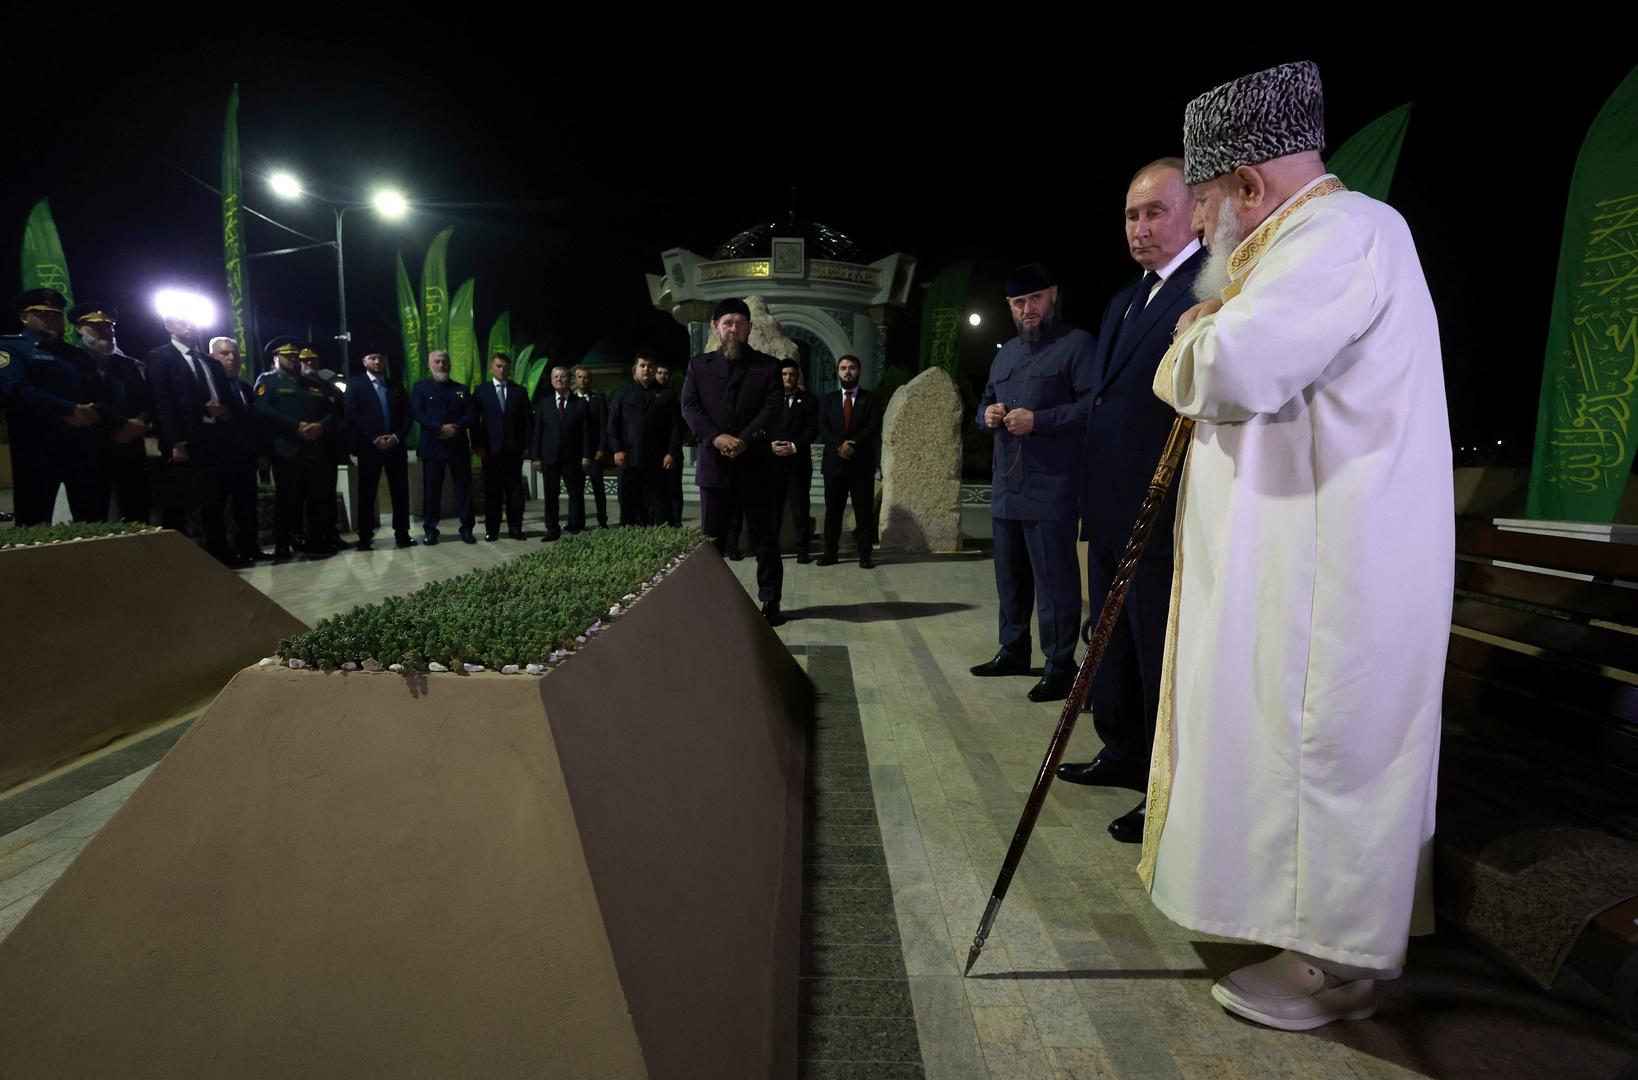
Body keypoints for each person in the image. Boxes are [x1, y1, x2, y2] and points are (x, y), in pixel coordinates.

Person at [1140, 61, 1453, 1031]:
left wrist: (1194, 329)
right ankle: (1311, 937)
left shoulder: (1339, 234)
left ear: (1248, 187)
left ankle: (1335, 965)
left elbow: (1234, 366)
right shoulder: (1314, 238)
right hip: (1308, 566)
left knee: (1327, 759)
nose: (1202, 228)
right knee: (1297, 757)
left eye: (1207, 204)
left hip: (1337, 582)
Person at [1054, 159, 1206, 845]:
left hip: (1165, 510)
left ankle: (1159, 779)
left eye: (1154, 212)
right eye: (1130, 215)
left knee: (1154, 647)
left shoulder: (1214, 292)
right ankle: (1118, 747)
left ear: (1195, 210)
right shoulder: (1124, 301)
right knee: (1110, 641)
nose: (1139, 227)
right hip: (1112, 507)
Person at [970, 264, 1096, 702]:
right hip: (1007, 485)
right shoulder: (1004, 354)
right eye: (1019, 303)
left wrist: (1039, 421)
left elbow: (1092, 409)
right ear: (1009, 307)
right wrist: (985, 416)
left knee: (1055, 581)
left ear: (1053, 295)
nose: (1029, 309)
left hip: (1051, 487)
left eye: (1036, 299)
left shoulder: (1077, 346)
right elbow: (984, 402)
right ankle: (1013, 649)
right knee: (1010, 577)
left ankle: (1060, 664)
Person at [680, 298, 786, 623]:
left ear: (750, 329)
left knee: (765, 540)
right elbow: (690, 406)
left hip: (755, 468)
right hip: (715, 468)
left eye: (740, 323)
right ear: (716, 327)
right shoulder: (699, 366)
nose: (734, 329)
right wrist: (716, 437)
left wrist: (744, 439)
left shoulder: (768, 367)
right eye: (727, 323)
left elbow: (772, 409)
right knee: (710, 543)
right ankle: (709, 603)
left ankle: (770, 602)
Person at [0, 289, 110, 525]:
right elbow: (17, 389)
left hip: (82, 447)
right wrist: (69, 409)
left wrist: (93, 411)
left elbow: (100, 393)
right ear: (24, 317)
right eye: (44, 314)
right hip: (36, 449)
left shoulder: (76, 355)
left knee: (92, 520)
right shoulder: (11, 348)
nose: (53, 320)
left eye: (57, 315)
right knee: (33, 521)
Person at [146, 304, 233, 560]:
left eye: (193, 321)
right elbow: (162, 402)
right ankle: (176, 559)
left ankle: (219, 554)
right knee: (178, 504)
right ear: (168, 326)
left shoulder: (209, 362)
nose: (190, 325)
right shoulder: (161, 357)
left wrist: (224, 412)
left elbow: (227, 399)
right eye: (183, 321)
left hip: (214, 439)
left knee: (215, 502)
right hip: (184, 440)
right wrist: (175, 441)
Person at [254, 337, 335, 560]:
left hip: (314, 448)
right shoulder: (267, 381)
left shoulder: (311, 383)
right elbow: (260, 409)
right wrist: (296, 426)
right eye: (287, 356)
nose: (292, 359)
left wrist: (320, 426)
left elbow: (331, 410)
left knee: (316, 498)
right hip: (286, 450)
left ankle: (314, 540)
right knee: (287, 499)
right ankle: (282, 543)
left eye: (294, 356)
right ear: (276, 358)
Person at [71, 302, 151, 524]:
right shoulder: (72, 360)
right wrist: (120, 425)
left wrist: (140, 422)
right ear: (80, 328)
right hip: (93, 446)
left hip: (131, 445)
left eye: (109, 327)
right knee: (93, 514)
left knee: (137, 511)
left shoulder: (126, 364)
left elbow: (145, 399)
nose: (106, 332)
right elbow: (80, 401)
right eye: (97, 327)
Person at [207, 335, 270, 561]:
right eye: (225, 353)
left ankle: (250, 548)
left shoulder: (245, 387)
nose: (232, 358)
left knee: (246, 505)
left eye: (235, 354)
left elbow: (255, 424)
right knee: (217, 508)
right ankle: (221, 553)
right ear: (212, 357)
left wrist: (261, 453)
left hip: (246, 457)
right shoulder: (210, 386)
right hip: (219, 457)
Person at [344, 349, 415, 550]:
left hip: (395, 446)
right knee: (366, 492)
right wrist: (374, 437)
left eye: (380, 358)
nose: (377, 362)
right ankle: (365, 537)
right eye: (372, 358)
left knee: (400, 491)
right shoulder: (355, 384)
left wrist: (396, 436)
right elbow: (352, 413)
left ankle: (402, 534)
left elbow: (408, 414)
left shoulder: (395, 385)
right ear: (364, 361)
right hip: (369, 448)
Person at [816, 355, 881, 570]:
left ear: (859, 371)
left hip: (860, 464)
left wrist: (852, 445)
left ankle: (865, 555)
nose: (847, 372)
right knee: (833, 511)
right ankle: (830, 553)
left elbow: (872, 427)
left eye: (852, 368)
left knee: (863, 513)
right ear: (837, 372)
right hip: (834, 464)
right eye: (843, 368)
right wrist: (838, 446)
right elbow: (823, 427)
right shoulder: (828, 399)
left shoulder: (870, 399)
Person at [608, 350, 682, 526]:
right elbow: (613, 423)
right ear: (636, 369)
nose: (646, 369)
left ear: (655, 369)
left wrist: (671, 453)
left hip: (657, 461)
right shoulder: (624, 392)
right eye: (642, 366)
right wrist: (617, 449)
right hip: (629, 460)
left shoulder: (667, 395)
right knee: (629, 506)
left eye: (650, 366)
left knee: (658, 506)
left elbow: (676, 427)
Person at [409, 350, 475, 544]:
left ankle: (467, 528)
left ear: (450, 364)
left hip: (458, 447)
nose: (441, 365)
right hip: (432, 447)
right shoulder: (421, 388)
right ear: (430, 365)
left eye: (444, 362)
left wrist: (455, 427)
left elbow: (471, 413)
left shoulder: (461, 388)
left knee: (463, 489)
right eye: (437, 362)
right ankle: (430, 530)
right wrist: (439, 429)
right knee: (432, 490)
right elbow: (417, 413)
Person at [472, 351, 531, 540]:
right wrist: (478, 445)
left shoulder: (519, 391)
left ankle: (515, 528)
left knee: (514, 491)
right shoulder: (481, 391)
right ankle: (492, 530)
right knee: (492, 491)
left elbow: (527, 422)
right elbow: (475, 422)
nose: (502, 370)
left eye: (505, 367)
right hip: (490, 451)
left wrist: (527, 446)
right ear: (491, 367)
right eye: (498, 366)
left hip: (514, 450)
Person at [529, 365, 592, 540]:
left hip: (573, 458)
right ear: (551, 381)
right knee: (551, 495)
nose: (559, 379)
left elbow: (587, 432)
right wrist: (535, 457)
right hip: (550, 457)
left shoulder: (580, 404)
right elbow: (537, 432)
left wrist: (587, 455)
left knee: (575, 493)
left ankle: (576, 526)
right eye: (555, 377)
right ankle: (552, 529)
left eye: (562, 377)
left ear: (569, 380)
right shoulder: (544, 404)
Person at [772, 358, 818, 562]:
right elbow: (761, 427)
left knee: (800, 510)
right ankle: (771, 550)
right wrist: (770, 445)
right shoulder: (769, 400)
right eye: (784, 374)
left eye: (791, 374)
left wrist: (793, 446)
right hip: (773, 465)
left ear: (797, 376)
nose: (787, 378)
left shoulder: (808, 400)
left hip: (798, 465)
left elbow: (812, 429)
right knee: (773, 511)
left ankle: (802, 550)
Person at [573, 365, 611, 527]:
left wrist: (602, 449)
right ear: (575, 379)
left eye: (586, 377)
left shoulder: (598, 399)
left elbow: (604, 426)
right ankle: (578, 522)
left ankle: (602, 520)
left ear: (590, 379)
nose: (583, 380)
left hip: (595, 453)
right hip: (576, 453)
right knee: (576, 490)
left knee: (598, 488)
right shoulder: (571, 400)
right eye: (580, 377)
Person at [653, 361, 686, 527]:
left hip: (671, 453)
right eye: (659, 373)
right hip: (653, 453)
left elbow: (677, 427)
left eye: (665, 373)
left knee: (674, 491)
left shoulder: (674, 397)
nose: (662, 376)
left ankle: (676, 524)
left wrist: (671, 452)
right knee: (658, 492)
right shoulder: (647, 394)